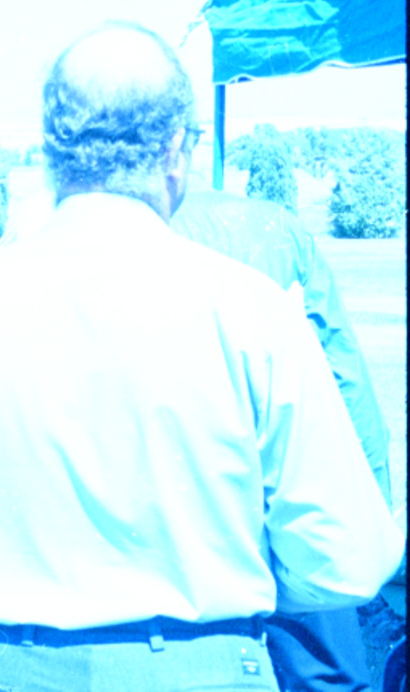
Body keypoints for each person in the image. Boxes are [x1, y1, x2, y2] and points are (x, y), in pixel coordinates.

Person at [0, 21, 405, 692]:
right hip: (208, 667)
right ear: (174, 150)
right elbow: (346, 558)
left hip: (8, 666)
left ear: (52, 152)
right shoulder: (252, 313)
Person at [172, 188, 395, 692]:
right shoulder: (272, 227)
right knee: (328, 669)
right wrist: (372, 502)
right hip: (285, 488)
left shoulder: (58, 234)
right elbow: (344, 376)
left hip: (178, 517)